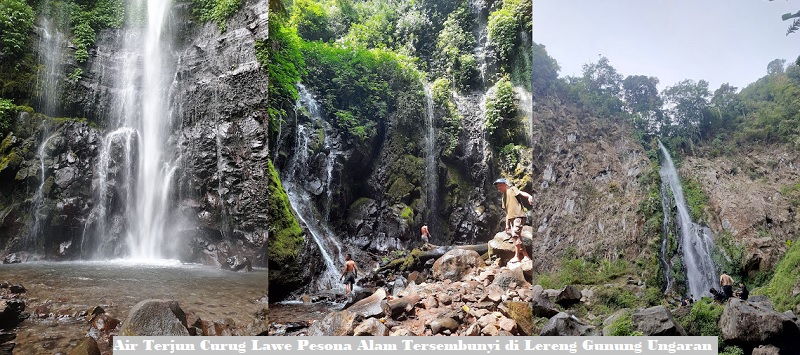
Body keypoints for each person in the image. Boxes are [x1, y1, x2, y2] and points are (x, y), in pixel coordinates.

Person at [494, 178, 534, 264]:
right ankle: (526, 256)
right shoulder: (503, 197)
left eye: (500, 185)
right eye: (497, 185)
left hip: (518, 216)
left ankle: (517, 257)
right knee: (516, 236)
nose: (498, 187)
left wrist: (529, 196)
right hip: (512, 218)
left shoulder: (512, 189)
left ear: (505, 185)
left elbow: (521, 193)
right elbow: (507, 212)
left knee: (515, 235)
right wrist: (507, 224)